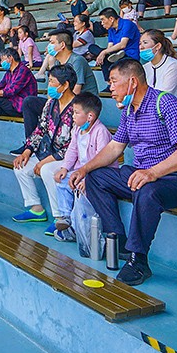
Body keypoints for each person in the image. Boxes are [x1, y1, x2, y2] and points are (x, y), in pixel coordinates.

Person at [69, 59, 177, 286]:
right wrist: (84, 168)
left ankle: (138, 260)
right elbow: (114, 148)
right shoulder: (129, 112)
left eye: (113, 81)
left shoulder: (166, 103)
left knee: (147, 189)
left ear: (132, 81)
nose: (110, 88)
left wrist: (152, 173)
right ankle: (119, 239)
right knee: (96, 177)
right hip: (145, 176)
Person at [11, 65, 78, 230]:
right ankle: (36, 208)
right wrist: (27, 151)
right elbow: (40, 130)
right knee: (21, 166)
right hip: (48, 152)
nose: (49, 85)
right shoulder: (50, 103)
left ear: (65, 84)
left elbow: (73, 146)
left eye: (53, 82)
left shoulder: (78, 107)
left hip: (68, 158)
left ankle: (60, 217)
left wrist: (44, 162)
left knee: (48, 170)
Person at [17, 32, 97, 156]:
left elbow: (75, 90)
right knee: (29, 102)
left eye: (52, 42)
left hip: (80, 105)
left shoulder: (77, 61)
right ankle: (31, 145)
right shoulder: (59, 63)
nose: (49, 45)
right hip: (62, 101)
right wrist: (51, 106)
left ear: (62, 45)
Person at [54, 92, 113, 242]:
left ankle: (75, 229)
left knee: (80, 192)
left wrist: (88, 178)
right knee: (62, 181)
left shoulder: (101, 132)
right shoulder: (78, 130)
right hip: (81, 171)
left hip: (97, 174)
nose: (73, 116)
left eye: (76, 112)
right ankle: (65, 217)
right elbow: (72, 150)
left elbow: (103, 159)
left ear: (90, 116)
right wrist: (65, 168)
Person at [139, 30, 177, 110]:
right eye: (140, 43)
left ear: (158, 46)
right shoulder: (145, 67)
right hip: (157, 107)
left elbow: (164, 94)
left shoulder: (173, 65)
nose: (141, 47)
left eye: (145, 43)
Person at [92, 9, 140, 83]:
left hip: (129, 55)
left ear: (111, 19)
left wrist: (103, 52)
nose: (102, 23)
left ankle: (118, 57)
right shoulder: (111, 29)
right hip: (115, 53)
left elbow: (123, 44)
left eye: (102, 20)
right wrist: (104, 54)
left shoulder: (127, 24)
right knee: (92, 48)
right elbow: (110, 46)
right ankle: (109, 83)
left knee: (107, 58)